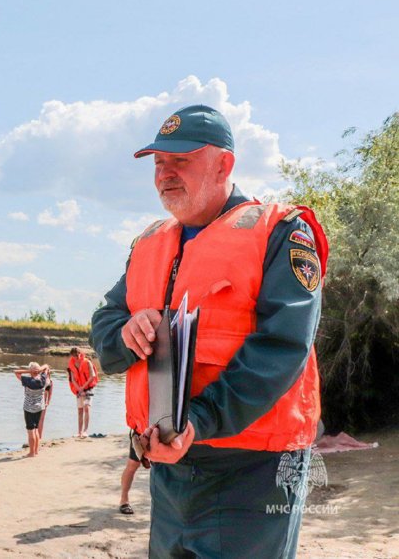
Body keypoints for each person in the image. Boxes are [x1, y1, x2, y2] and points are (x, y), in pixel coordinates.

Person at [90, 104, 328, 558]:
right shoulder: (149, 243)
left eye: (181, 161)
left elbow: (282, 348)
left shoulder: (281, 232)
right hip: (169, 468)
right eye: (159, 164)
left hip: (254, 470)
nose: (165, 175)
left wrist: (199, 420)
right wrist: (126, 333)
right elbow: (105, 324)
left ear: (225, 164)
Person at [14, 362, 50, 456]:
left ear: (31, 371)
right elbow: (46, 366)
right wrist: (39, 370)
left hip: (29, 408)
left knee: (31, 431)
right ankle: (36, 451)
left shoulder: (28, 380)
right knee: (36, 429)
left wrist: (29, 370)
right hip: (39, 407)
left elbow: (16, 372)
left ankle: (31, 452)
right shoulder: (43, 379)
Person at [67, 347, 97, 437]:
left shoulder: (87, 362)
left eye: (77, 355)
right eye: (74, 356)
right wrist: (79, 389)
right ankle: (79, 432)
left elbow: (92, 376)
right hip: (79, 389)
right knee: (80, 410)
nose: (76, 357)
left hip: (88, 388)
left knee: (86, 408)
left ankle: (85, 431)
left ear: (80, 353)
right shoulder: (71, 364)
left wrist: (83, 388)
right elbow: (72, 379)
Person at [118, 432, 151, 515]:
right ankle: (124, 499)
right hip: (140, 432)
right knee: (133, 465)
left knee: (165, 466)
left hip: (165, 431)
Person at [38, 366, 53, 440]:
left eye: (47, 370)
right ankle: (36, 436)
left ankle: (39, 437)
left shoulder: (50, 381)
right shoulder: (40, 379)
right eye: (45, 370)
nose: (47, 371)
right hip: (38, 400)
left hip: (44, 401)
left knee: (41, 419)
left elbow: (50, 393)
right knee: (36, 419)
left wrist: (48, 402)